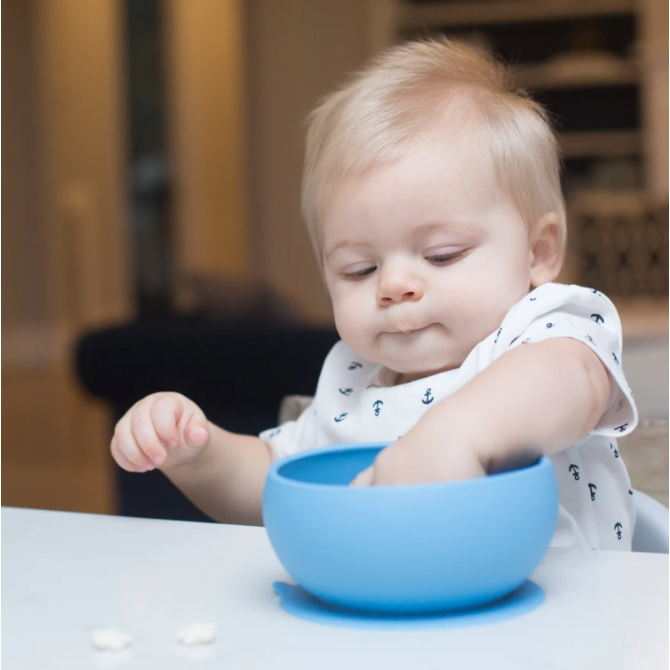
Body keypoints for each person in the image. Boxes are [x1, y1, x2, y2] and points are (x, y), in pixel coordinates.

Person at [110, 38, 638, 549]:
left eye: (441, 255)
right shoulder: (352, 381)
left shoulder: (545, 331)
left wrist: (455, 439)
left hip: (568, 627)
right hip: (398, 626)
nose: (392, 286)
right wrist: (196, 455)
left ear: (538, 252)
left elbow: (570, 381)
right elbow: (272, 485)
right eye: (359, 269)